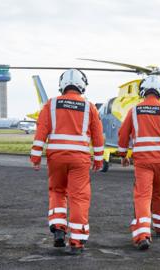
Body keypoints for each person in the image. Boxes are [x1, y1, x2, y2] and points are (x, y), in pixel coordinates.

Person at [30, 69, 104, 255]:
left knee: (57, 191)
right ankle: (77, 241)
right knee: (78, 197)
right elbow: (97, 135)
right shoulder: (90, 107)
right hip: (80, 158)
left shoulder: (51, 104)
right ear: (82, 85)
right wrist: (99, 159)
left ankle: (59, 228)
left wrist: (36, 157)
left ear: (62, 85)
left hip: (56, 157)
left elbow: (41, 132)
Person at [118, 75, 160, 250]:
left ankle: (142, 235)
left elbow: (123, 134)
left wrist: (123, 154)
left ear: (143, 91)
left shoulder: (134, 110)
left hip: (142, 161)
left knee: (142, 195)